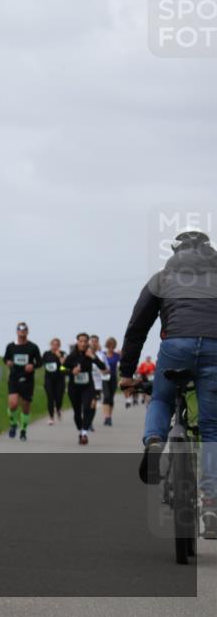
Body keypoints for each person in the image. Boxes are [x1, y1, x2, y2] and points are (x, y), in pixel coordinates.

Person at [119, 228, 217, 539]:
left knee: (161, 399)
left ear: (175, 252)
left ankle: (154, 440)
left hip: (175, 346)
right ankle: (211, 506)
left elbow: (137, 328)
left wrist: (126, 373)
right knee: (212, 428)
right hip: (215, 348)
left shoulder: (162, 278)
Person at [64, 332, 106, 445]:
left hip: (88, 386)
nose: (83, 343)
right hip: (74, 388)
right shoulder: (72, 356)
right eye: (80, 341)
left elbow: (103, 367)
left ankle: (84, 433)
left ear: (88, 342)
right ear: (77, 342)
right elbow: (62, 368)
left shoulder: (90, 353)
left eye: (85, 341)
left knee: (88, 407)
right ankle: (81, 429)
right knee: (77, 412)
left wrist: (93, 357)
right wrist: (71, 371)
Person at [2, 322, 42, 441]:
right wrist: (7, 362)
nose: (22, 331)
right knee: (13, 404)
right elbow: (5, 358)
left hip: (27, 379)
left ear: (27, 332)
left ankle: (23, 430)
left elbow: (40, 362)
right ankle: (13, 424)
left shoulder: (33, 347)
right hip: (14, 377)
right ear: (17, 332)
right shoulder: (11, 346)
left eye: (24, 330)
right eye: (20, 329)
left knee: (25, 406)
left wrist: (32, 366)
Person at [42, 338, 66, 425]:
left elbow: (64, 365)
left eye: (57, 345)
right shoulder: (46, 354)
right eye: (53, 344)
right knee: (50, 398)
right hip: (49, 379)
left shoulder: (62, 353)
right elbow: (42, 363)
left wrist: (59, 356)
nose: (55, 346)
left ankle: (58, 409)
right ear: (51, 345)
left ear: (59, 346)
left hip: (59, 379)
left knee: (59, 398)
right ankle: (51, 417)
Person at [87, 335, 108, 432]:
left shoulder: (101, 355)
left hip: (97, 384)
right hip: (86, 382)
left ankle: (89, 422)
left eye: (96, 341)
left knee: (93, 403)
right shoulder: (85, 353)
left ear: (98, 343)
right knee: (86, 403)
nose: (94, 343)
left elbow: (107, 369)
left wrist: (104, 371)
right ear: (89, 342)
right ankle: (86, 420)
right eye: (92, 341)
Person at [102, 337, 121, 421]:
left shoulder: (117, 355)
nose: (111, 347)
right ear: (107, 345)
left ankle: (109, 416)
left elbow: (124, 363)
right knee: (106, 396)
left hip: (113, 377)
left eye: (113, 346)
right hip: (104, 378)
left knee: (111, 397)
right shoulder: (102, 354)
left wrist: (123, 355)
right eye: (109, 345)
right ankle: (106, 416)